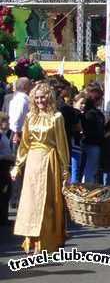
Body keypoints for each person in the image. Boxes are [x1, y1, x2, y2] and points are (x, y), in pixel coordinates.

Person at [10, 82, 69, 253]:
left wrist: (65, 168)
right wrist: (17, 166)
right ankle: (31, 240)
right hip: (33, 163)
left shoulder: (56, 117)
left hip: (50, 161)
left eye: (43, 97)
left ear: (49, 97)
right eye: (36, 97)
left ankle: (47, 240)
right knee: (31, 201)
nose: (40, 100)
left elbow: (61, 144)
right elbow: (25, 144)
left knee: (47, 202)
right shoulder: (30, 117)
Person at [81, 86, 105, 183]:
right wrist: (105, 133)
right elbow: (93, 131)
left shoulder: (89, 112)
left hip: (88, 143)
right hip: (93, 144)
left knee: (87, 170)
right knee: (90, 171)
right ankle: (87, 190)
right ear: (97, 99)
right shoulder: (93, 114)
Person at [0, 112, 13, 225]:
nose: (8, 123)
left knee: (6, 192)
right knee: (4, 192)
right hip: (2, 166)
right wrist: (7, 157)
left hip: (6, 165)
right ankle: (3, 219)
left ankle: (4, 217)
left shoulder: (4, 134)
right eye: (6, 121)